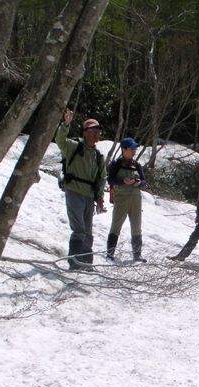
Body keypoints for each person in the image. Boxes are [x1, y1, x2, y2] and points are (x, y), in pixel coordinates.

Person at [55, 109, 106, 270]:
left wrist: (99, 199)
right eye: (92, 131)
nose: (96, 135)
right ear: (85, 133)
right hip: (74, 192)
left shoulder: (98, 156)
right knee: (79, 230)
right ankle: (75, 264)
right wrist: (66, 124)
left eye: (98, 132)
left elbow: (101, 179)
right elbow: (60, 140)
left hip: (89, 197)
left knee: (88, 231)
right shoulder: (74, 146)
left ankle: (86, 263)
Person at [106, 137, 147, 263]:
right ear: (124, 149)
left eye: (135, 148)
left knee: (137, 226)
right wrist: (122, 181)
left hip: (136, 199)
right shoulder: (116, 164)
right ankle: (110, 254)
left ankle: (137, 255)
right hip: (121, 199)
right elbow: (110, 180)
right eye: (132, 148)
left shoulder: (137, 165)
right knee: (116, 226)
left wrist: (139, 183)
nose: (134, 151)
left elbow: (144, 182)